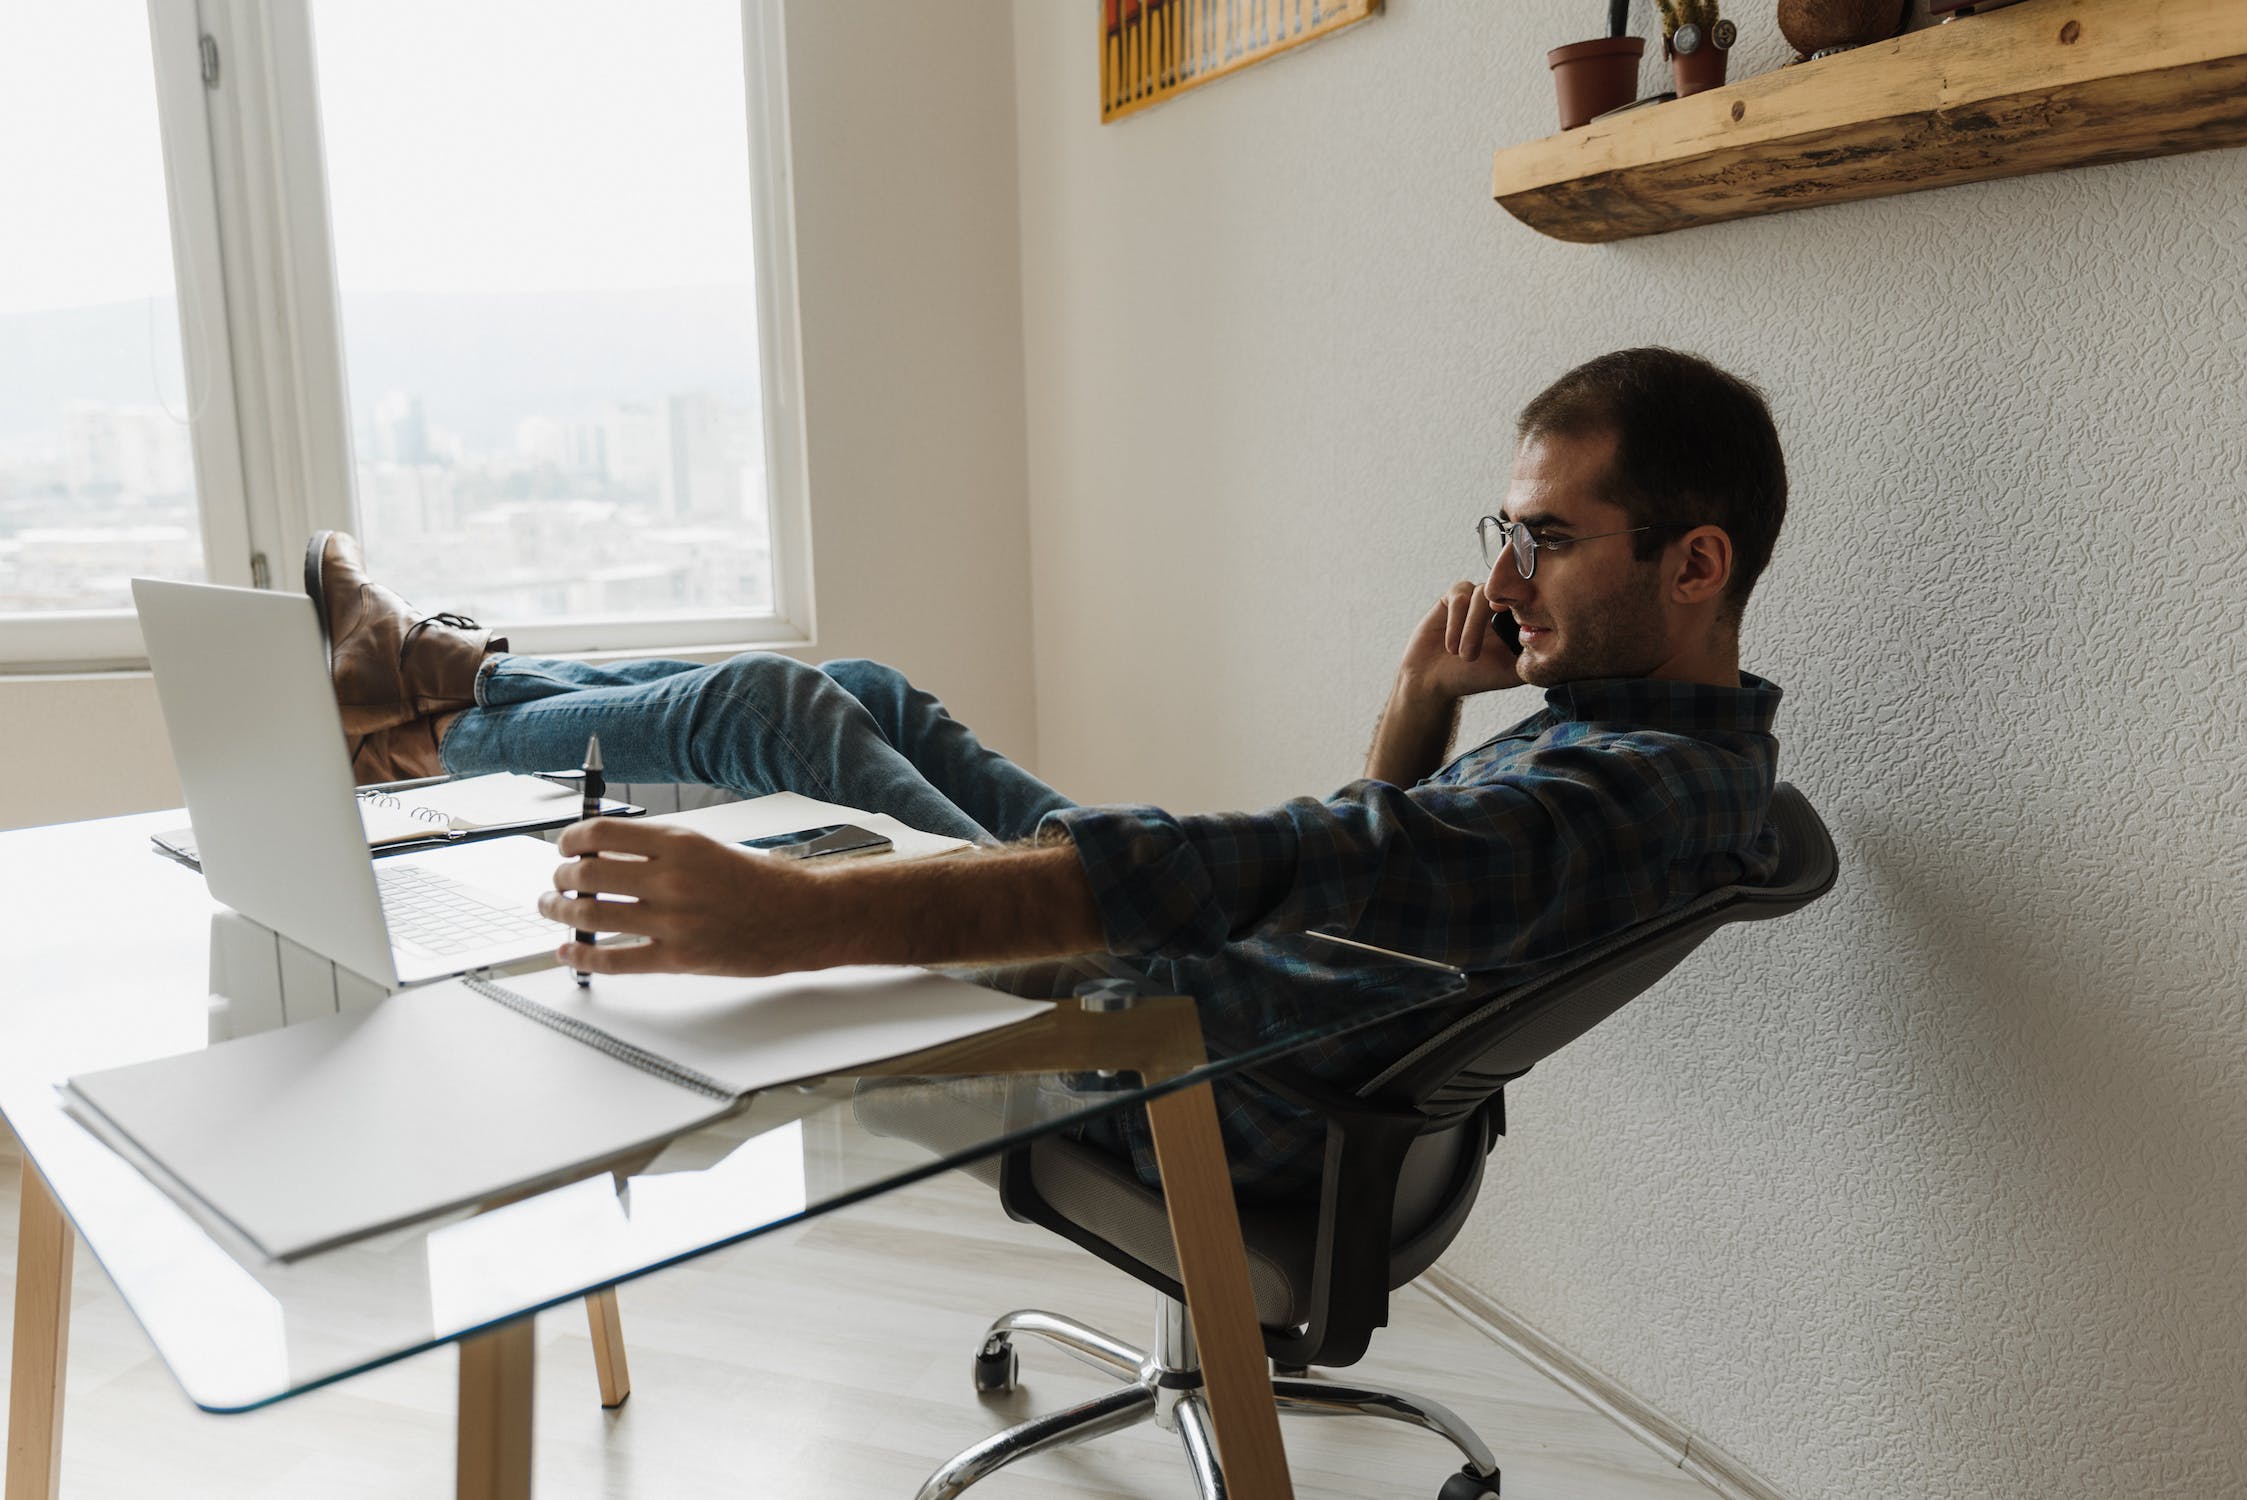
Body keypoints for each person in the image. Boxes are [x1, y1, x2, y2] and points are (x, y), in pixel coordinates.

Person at [308, 347, 1789, 1200]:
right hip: (1251, 987)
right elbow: (1380, 874)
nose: (1507, 572)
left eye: (1551, 538)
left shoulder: (1632, 792)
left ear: (1694, 565)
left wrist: (799, 920)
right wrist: (1419, 701)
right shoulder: (1642, 741)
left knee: (781, 709)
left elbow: (1299, 869)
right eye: (1506, 530)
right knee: (861, 690)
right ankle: (429, 694)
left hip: (1192, 1054)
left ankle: (429, 715)